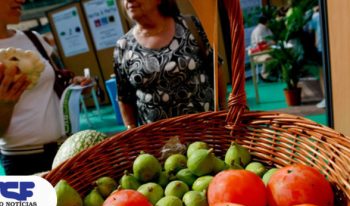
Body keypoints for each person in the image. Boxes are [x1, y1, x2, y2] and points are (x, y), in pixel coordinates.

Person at [0, 0, 90, 175]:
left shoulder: (34, 39)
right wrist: (5, 105)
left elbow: (56, 82)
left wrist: (75, 86)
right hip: (21, 161)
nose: (21, 1)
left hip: (65, 150)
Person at [114, 0, 226, 129]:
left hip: (205, 131)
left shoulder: (189, 26)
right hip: (157, 141)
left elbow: (215, 67)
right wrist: (131, 130)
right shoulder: (123, 47)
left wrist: (223, 110)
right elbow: (124, 96)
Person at [307, 5, 325, 109]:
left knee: (322, 73)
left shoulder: (315, 15)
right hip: (325, 46)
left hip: (320, 47)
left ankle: (326, 98)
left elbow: (310, 30)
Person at [250, 15, 275, 82]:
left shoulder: (267, 29)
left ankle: (273, 73)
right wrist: (271, 44)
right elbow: (261, 45)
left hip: (269, 50)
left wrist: (272, 43)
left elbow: (273, 39)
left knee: (280, 55)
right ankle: (264, 75)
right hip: (259, 53)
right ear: (266, 22)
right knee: (269, 58)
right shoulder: (258, 31)